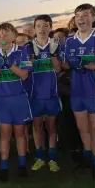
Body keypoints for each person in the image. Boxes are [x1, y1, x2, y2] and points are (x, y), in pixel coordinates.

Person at [0, 23, 33, 181]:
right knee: (4, 134)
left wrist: (10, 65)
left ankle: (21, 165)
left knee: (20, 133)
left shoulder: (22, 52)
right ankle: (4, 166)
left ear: (14, 36)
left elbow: (25, 75)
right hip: (2, 100)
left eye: (5, 35)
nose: (2, 38)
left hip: (19, 98)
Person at [61, 3, 95, 178]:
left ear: (94, 17)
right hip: (77, 90)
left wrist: (87, 64)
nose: (81, 19)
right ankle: (87, 159)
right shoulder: (70, 41)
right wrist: (64, 61)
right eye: (77, 16)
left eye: (85, 15)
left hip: (94, 90)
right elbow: (66, 65)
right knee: (82, 128)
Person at [28, 15, 62, 172]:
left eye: (45, 26)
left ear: (50, 27)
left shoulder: (55, 45)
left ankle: (53, 158)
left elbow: (58, 69)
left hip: (51, 94)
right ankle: (40, 157)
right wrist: (32, 60)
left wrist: (53, 54)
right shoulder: (28, 47)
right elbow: (25, 71)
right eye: (39, 26)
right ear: (34, 28)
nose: (42, 29)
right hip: (35, 95)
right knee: (37, 127)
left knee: (51, 127)